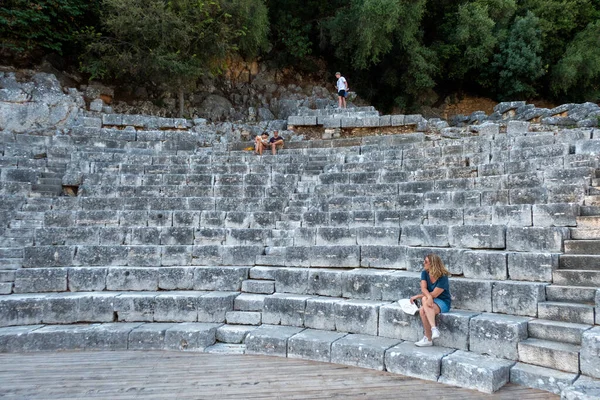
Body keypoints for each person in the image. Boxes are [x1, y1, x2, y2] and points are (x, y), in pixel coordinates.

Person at [410, 254, 451, 347]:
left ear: (432, 264)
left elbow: (435, 294)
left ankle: (428, 337)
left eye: (426, 261)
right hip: (430, 300)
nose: (423, 263)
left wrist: (423, 297)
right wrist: (426, 297)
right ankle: (433, 330)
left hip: (443, 301)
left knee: (423, 305)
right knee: (422, 308)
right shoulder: (425, 273)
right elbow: (424, 288)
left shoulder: (443, 276)